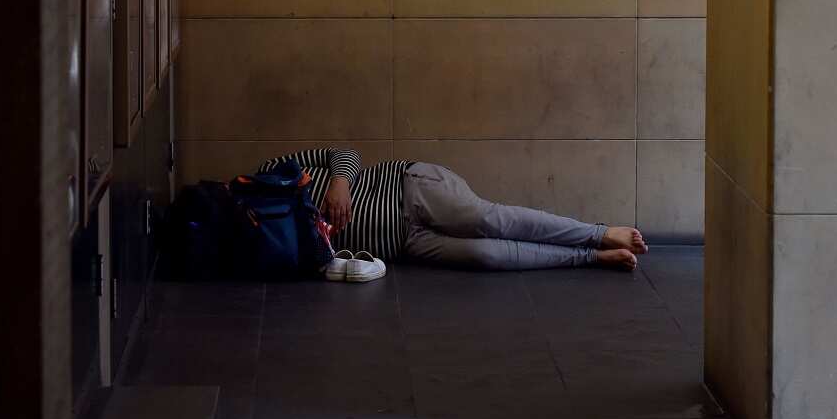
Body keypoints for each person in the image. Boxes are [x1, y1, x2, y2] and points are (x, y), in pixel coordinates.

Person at [258, 148, 648, 272]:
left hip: (408, 188)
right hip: (403, 243)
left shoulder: (271, 172)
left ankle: (599, 232)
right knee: (485, 255)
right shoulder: (258, 239)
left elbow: (342, 154)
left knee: (486, 220)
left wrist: (340, 183)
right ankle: (592, 257)